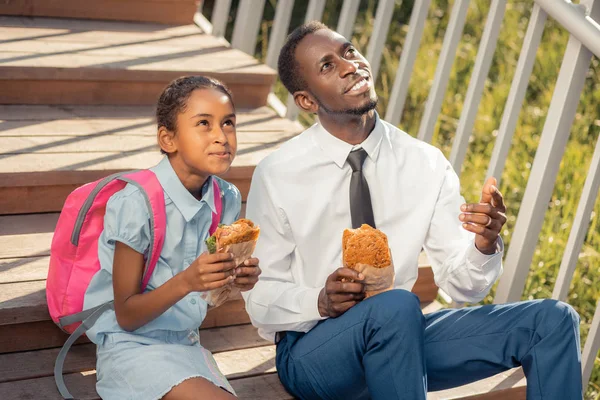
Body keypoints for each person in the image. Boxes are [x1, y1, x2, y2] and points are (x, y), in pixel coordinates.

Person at [242, 22, 582, 400]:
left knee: (552, 321)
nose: (349, 65)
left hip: (400, 337)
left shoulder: (425, 162)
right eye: (327, 66)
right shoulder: (278, 174)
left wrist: (484, 244)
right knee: (397, 305)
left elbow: (461, 286)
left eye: (349, 51)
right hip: (314, 350)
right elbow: (260, 299)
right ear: (306, 101)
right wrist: (319, 300)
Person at [83, 76, 261, 400]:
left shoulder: (227, 198)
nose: (221, 137)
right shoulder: (135, 204)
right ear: (168, 139)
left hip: (188, 345)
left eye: (228, 123)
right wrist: (188, 280)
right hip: (132, 349)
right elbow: (126, 315)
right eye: (204, 124)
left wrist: (237, 279)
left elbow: (214, 292)